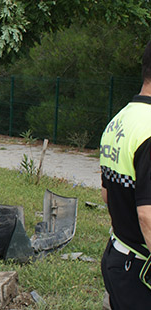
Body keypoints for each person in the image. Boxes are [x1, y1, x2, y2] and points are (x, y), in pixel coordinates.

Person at [100, 40, 151, 309]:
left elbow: (107, 195)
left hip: (118, 259)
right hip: (141, 272)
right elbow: (147, 215)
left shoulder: (119, 120)